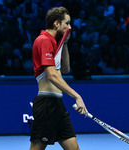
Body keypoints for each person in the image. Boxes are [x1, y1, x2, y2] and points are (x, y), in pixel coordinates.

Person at [30, 6, 88, 150]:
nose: (70, 27)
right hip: (46, 105)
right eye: (67, 23)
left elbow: (65, 69)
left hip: (58, 105)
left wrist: (65, 43)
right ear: (56, 23)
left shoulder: (54, 42)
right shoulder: (44, 40)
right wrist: (77, 96)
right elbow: (52, 75)